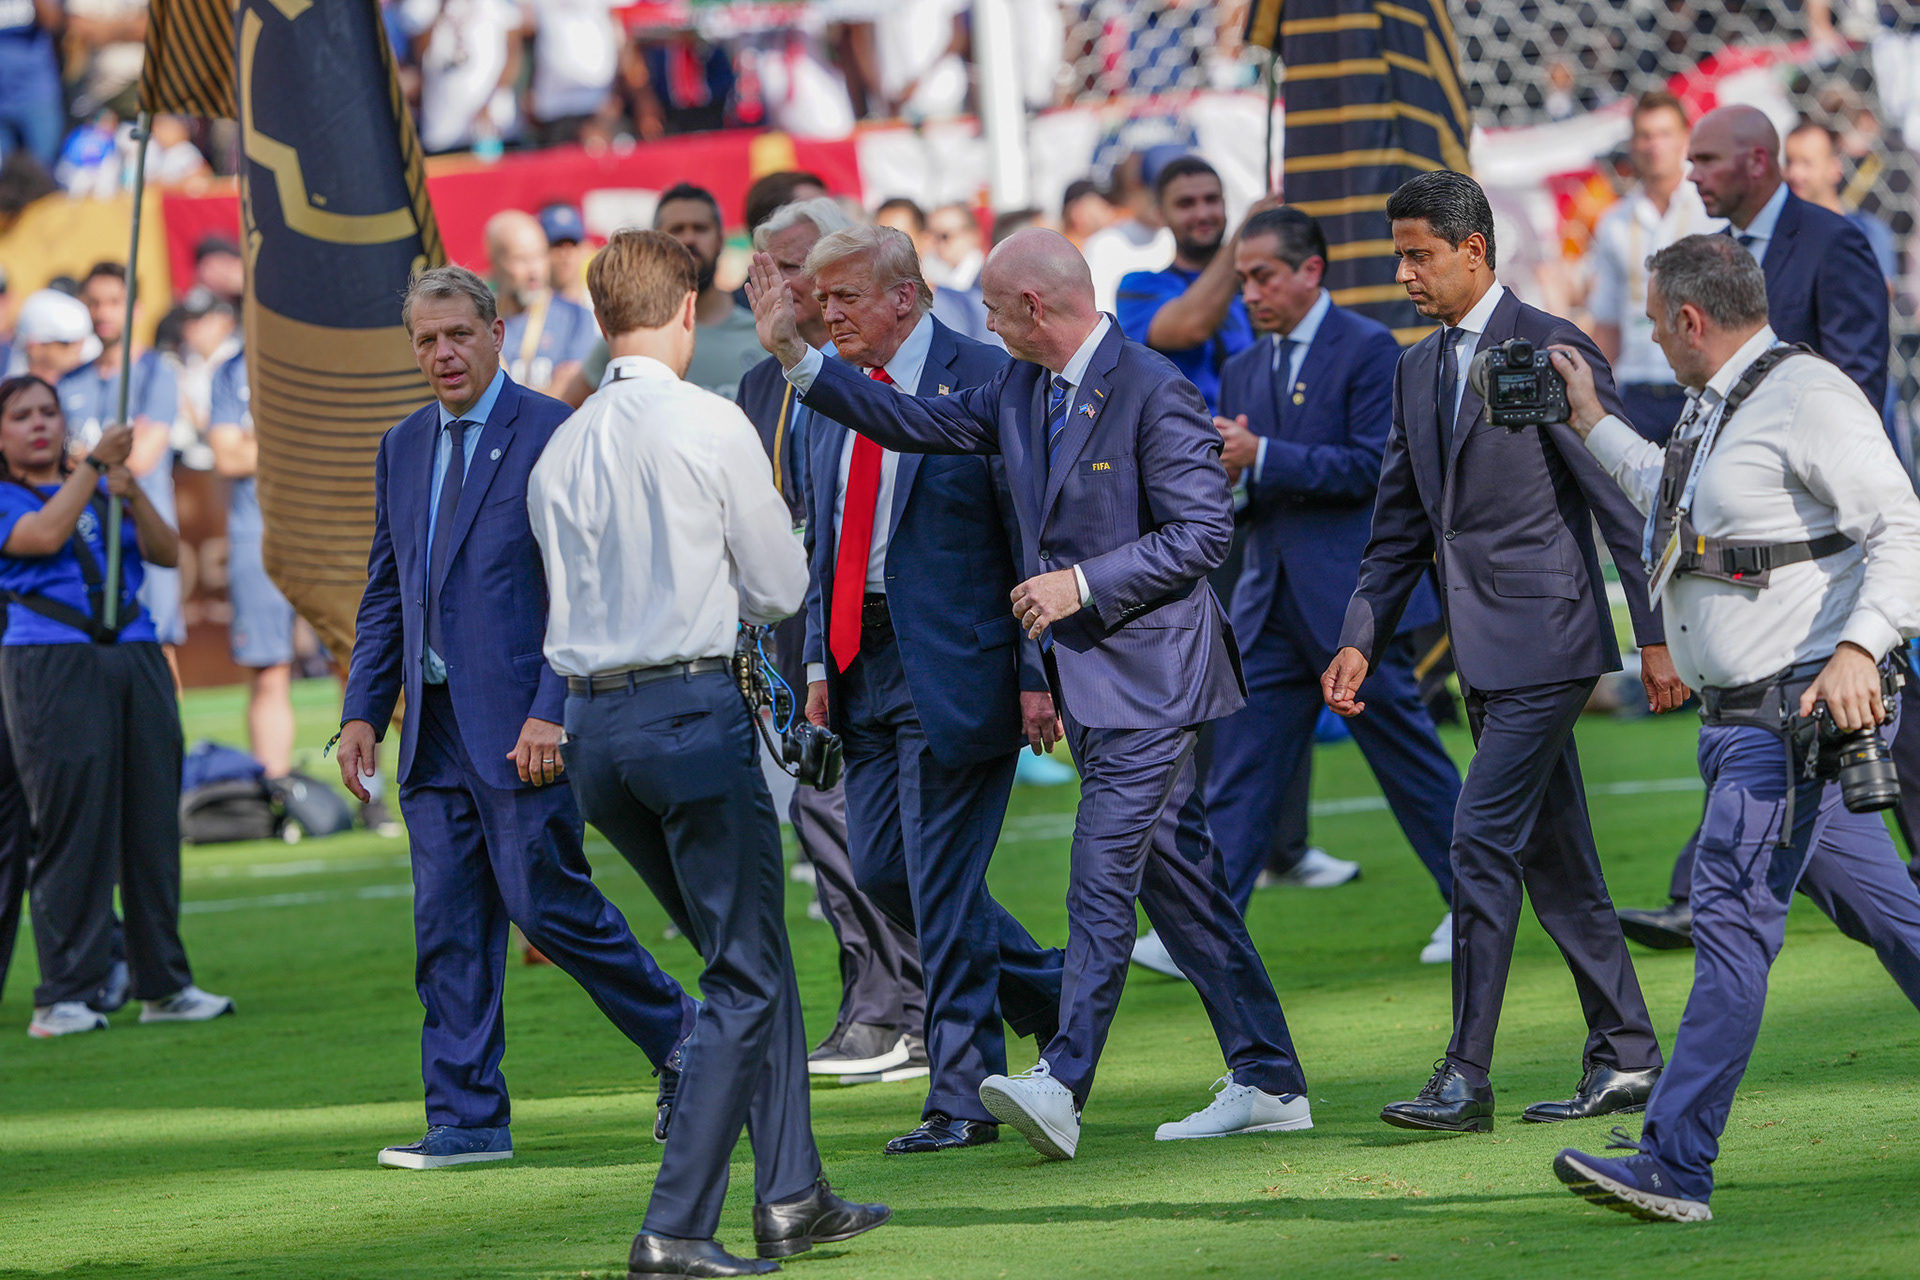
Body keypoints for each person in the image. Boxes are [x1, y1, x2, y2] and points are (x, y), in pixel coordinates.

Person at [750, 227, 1314, 1160]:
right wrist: (798, 361)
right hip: (1088, 676)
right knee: (1180, 886)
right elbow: (914, 424)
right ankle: (1269, 1076)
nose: (983, 322)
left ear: (1036, 308)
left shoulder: (1153, 387)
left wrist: (1080, 584)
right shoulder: (1020, 385)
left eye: (993, 308)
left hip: (1154, 677)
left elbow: (1204, 534)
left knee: (1100, 878)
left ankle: (1063, 1077)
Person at [528, 229, 889, 1277]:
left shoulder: (562, 442)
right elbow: (781, 585)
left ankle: (791, 1193)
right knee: (745, 972)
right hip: (688, 714)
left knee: (752, 963)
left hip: (595, 730)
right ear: (686, 308)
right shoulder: (706, 418)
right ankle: (677, 1221)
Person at [1548, 233, 1920, 1223]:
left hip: (1786, 720)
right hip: (1756, 720)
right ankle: (1674, 1150)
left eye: (1658, 320)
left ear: (1690, 320)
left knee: (1729, 927)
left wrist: (1858, 647)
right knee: (1899, 922)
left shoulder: (1808, 398)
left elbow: (1904, 528)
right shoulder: (1724, 404)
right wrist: (1590, 419)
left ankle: (1675, 1162)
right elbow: (1682, 518)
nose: (1655, 338)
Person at [1324, 171, 1670, 1133]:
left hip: (1551, 646)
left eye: (1417, 254)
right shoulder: (1415, 368)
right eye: (1399, 254)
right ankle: (1628, 1057)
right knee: (1559, 865)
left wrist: (1653, 639)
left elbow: (1617, 502)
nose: (1403, 273)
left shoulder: (1551, 349)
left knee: (1479, 842)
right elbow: (1398, 530)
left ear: (1473, 251)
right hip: (1482, 657)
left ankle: (1465, 1079)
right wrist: (1360, 639)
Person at [336, 265, 697, 1171]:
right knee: (447, 927)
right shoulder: (402, 445)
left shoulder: (553, 431)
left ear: (498, 335)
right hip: (433, 732)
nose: (443, 353)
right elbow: (388, 593)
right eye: (426, 340)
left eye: (458, 334)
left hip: (524, 726)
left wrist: (551, 710)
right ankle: (465, 1119)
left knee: (547, 904)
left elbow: (584, 589)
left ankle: (688, 1041)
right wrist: (361, 710)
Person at [788, 223, 1066, 1154]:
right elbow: (826, 531)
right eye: (820, 301)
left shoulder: (986, 374)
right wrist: (822, 662)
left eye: (845, 298)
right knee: (882, 873)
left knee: (941, 886)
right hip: (859, 662)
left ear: (903, 297)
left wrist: (1036, 672)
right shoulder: (830, 390)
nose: (829, 315)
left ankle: (960, 1098)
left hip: (958, 660)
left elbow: (1027, 528)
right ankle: (1055, 992)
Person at [1617, 103, 1897, 949]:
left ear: (1758, 160)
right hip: (1772, 556)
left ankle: (1705, 898)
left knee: (1864, 733)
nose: (1691, 174)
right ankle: (1701, 891)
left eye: (1705, 159)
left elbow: (1856, 384)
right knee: (1795, 734)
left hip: (1834, 529)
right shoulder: (1726, 259)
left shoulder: (1829, 239)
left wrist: (1794, 486)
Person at [1203, 207, 1461, 963]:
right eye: (1243, 278)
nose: (1248, 292)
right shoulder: (1247, 362)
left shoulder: (1368, 346)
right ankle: (1207, 925)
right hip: (1271, 596)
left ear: (1310, 270)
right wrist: (1229, 478)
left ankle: (1472, 903)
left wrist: (1262, 455)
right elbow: (1252, 481)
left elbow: (1374, 470)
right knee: (1241, 768)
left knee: (1406, 760)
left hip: (1355, 602)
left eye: (1263, 276)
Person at [736, 196, 932, 1083]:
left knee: (873, 825)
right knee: (829, 818)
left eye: (800, 267)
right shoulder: (757, 382)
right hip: (802, 630)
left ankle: (909, 1010)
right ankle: (888, 1003)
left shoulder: (890, 369)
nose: (785, 284)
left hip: (891, 630)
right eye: (770, 267)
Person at [0, 375, 230, 1037]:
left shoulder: (102, 485)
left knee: (153, 822)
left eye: (48, 412)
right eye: (22, 416)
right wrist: (96, 466)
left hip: (135, 652)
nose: (40, 424)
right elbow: (42, 536)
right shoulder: (23, 494)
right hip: (51, 660)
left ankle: (165, 984)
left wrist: (128, 492)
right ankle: (64, 994)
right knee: (73, 826)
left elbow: (162, 553)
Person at [58, 263, 184, 665]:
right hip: (89, 535)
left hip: (146, 532)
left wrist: (84, 457)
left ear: (137, 308)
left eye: (115, 302)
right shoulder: (69, 382)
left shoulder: (155, 374)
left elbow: (142, 458)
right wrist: (105, 454)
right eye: (94, 302)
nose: (103, 313)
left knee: (159, 650)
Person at [1587, 91, 1723, 444]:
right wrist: (1596, 393)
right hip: (1637, 388)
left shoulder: (1712, 211)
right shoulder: (1614, 222)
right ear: (1632, 144)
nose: (1654, 145)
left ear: (1685, 138)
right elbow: (1606, 318)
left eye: (1664, 134)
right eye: (1645, 135)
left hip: (1701, 383)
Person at [207, 349, 297, 779]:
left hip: (329, 528)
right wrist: (297, 444)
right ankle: (274, 792)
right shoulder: (230, 369)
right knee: (267, 670)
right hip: (255, 531)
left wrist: (256, 448)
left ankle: (370, 794)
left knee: (355, 663)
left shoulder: (317, 349)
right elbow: (226, 456)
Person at [1114, 155, 1261, 414]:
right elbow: (1192, 327)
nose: (1202, 214)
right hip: (1190, 446)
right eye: (1186, 204)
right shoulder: (1138, 287)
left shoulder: (1254, 283)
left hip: (1257, 444)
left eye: (1211, 200)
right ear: (1161, 213)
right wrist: (1245, 236)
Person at [655, 182, 766, 399]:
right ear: (657, 242)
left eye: (700, 228)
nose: (689, 239)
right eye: (677, 230)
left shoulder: (763, 331)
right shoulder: (636, 335)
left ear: (720, 241)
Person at [486, 209, 597, 397]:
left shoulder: (576, 316)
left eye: (539, 256)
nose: (534, 272)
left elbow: (571, 390)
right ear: (495, 262)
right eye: (521, 259)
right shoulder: (483, 322)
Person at [1083, 152, 1174, 313]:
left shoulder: (1185, 239)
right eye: (1152, 192)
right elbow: (1101, 314)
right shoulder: (1105, 244)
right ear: (1133, 188)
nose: (1159, 202)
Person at [8, 289, 95, 383]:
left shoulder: (79, 385)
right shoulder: (10, 393)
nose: (79, 347)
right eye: (67, 342)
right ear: (35, 346)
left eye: (81, 341)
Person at [539, 203, 594, 308]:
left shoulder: (601, 307)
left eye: (572, 244)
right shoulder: (528, 311)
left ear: (585, 249)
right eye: (557, 245)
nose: (564, 254)